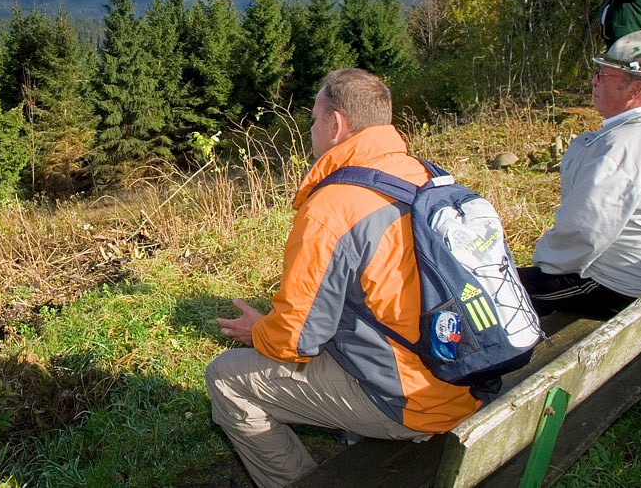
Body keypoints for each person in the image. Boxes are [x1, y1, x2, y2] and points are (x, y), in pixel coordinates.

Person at [205, 68, 482, 488]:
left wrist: (258, 330)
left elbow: (295, 339)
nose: (312, 129)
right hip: (468, 371)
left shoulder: (332, 208)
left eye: (314, 120)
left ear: (335, 125)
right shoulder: (425, 175)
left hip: (418, 401)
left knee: (225, 378)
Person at [518, 29, 641, 320]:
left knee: (495, 292)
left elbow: (581, 234)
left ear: (635, 90)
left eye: (604, 75)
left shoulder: (622, 149)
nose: (594, 80)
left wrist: (540, 269)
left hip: (621, 290)